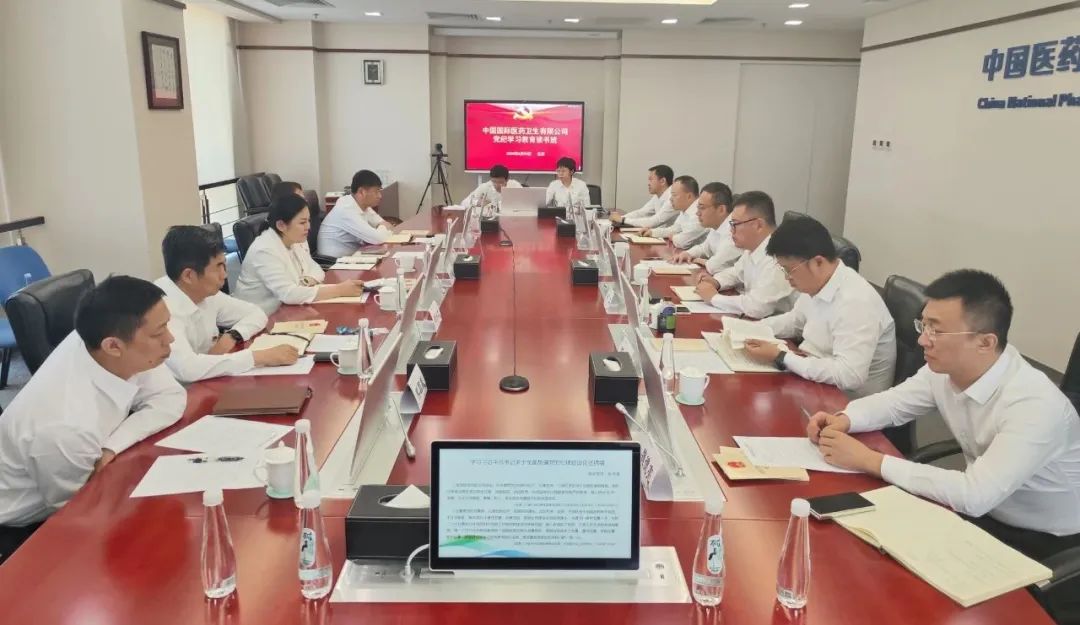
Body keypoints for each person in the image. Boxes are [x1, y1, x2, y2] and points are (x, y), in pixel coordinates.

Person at [808, 270, 1080, 561]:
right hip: (983, 512)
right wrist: (845, 418)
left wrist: (869, 460)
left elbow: (974, 495)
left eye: (936, 330)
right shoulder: (945, 369)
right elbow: (894, 403)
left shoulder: (1034, 406)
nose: (923, 340)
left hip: (1047, 541)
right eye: (923, 325)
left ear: (985, 342)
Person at [0, 276, 187, 562]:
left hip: (88, 477)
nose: (170, 338)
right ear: (113, 346)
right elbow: (81, 512)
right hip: (23, 527)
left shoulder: (113, 348)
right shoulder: (65, 426)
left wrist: (112, 446)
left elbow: (170, 398)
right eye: (159, 332)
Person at [741, 216, 896, 398]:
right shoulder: (818, 283)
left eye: (789, 270)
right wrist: (751, 329)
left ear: (818, 262)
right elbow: (795, 321)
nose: (787, 278)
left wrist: (782, 357)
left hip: (845, 399)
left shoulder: (856, 301)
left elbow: (850, 375)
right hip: (811, 377)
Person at [155, 226, 299, 382]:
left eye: (224, 265)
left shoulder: (204, 292)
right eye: (218, 267)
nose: (224, 275)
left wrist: (232, 336)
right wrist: (259, 357)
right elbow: (188, 369)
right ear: (189, 276)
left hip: (208, 380)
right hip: (179, 390)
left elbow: (256, 313)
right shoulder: (160, 309)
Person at [235, 194, 365, 315]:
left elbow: (317, 270)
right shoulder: (264, 250)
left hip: (288, 310)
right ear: (281, 225)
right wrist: (339, 290)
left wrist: (303, 282)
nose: (308, 227)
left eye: (308, 221)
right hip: (260, 317)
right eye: (302, 222)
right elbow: (288, 294)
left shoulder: (293, 239)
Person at [694, 191, 797, 318]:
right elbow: (736, 272)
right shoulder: (753, 248)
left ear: (758, 225)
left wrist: (714, 298)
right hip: (755, 320)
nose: (731, 231)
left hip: (773, 325)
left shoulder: (779, 257)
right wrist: (716, 282)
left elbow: (758, 307)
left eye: (735, 224)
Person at [317, 170, 392, 257]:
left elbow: (386, 225)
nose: (380, 196)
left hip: (353, 255)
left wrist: (381, 227)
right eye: (376, 191)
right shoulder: (346, 210)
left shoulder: (363, 206)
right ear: (362, 192)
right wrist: (382, 227)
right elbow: (379, 238)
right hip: (334, 261)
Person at [671, 182, 740, 273]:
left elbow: (715, 265)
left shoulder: (734, 230)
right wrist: (687, 253)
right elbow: (704, 248)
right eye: (698, 208)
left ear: (721, 210)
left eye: (702, 208)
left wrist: (698, 260)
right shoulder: (716, 225)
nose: (697, 213)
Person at [642, 175, 706, 249]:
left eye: (674, 195)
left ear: (689, 196)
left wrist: (673, 237)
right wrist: (652, 232)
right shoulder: (685, 210)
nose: (670, 199)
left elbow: (682, 242)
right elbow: (673, 229)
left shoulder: (700, 213)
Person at [609, 165, 674, 226]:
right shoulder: (657, 195)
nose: (648, 183)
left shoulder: (672, 197)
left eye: (651, 179)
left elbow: (654, 221)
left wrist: (622, 220)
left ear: (662, 181)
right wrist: (619, 218)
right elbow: (642, 213)